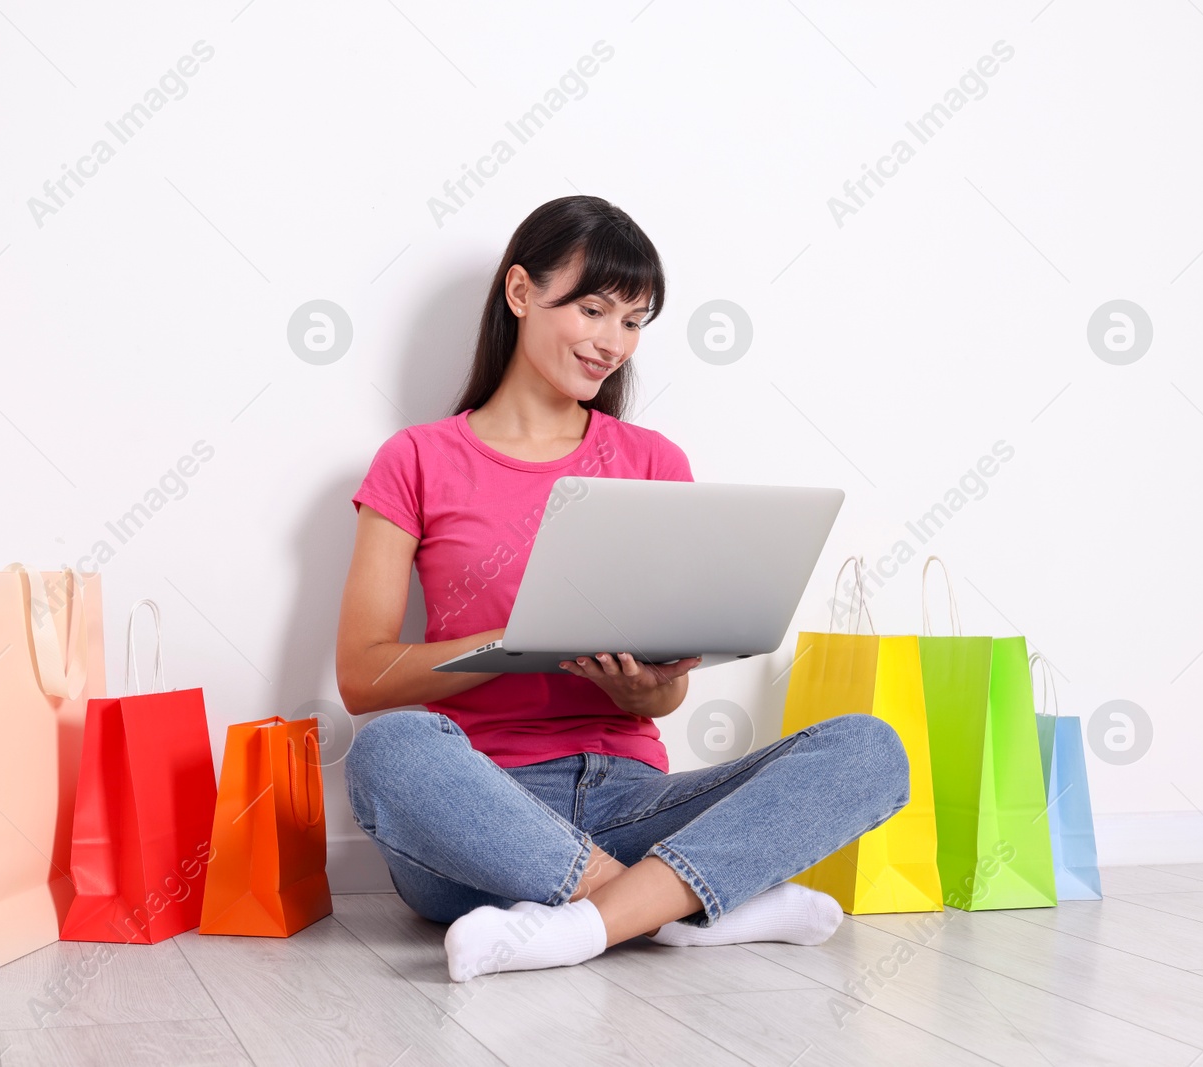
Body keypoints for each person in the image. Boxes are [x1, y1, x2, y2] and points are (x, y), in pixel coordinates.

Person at [336, 195, 910, 983]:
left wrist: (645, 688)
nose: (613, 342)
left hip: (631, 801)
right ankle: (674, 911)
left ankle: (580, 924)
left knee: (869, 748)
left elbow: (663, 702)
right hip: (480, 818)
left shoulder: (651, 460)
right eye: (594, 308)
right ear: (520, 293)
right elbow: (362, 676)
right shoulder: (417, 459)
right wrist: (522, 642)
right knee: (387, 750)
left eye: (634, 320)